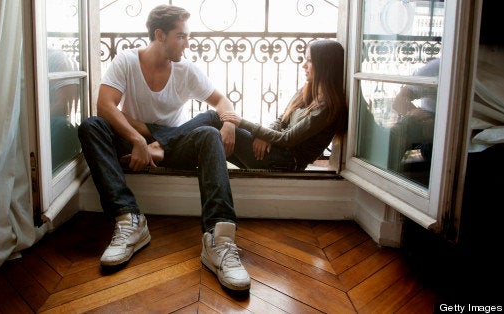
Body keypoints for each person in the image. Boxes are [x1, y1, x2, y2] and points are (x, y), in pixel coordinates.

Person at [77, 5, 250, 291]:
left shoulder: (186, 70)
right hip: (134, 143)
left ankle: (218, 239)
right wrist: (136, 139)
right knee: (91, 125)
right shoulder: (127, 61)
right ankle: (129, 220)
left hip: (174, 146)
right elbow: (105, 105)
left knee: (209, 129)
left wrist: (229, 123)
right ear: (160, 35)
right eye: (181, 36)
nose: (187, 43)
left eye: (187, 36)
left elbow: (221, 102)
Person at [219, 39, 348, 171]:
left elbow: (287, 139)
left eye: (310, 60)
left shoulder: (327, 106)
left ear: (324, 66)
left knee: (215, 119)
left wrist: (241, 122)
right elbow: (282, 119)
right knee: (212, 132)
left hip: (285, 161)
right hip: (274, 151)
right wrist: (264, 137)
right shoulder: (307, 89)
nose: (304, 65)